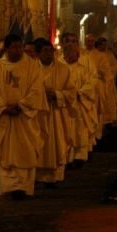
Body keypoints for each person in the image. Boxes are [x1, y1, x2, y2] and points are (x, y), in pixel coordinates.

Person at [0, 34, 47, 199]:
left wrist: (21, 105)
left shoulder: (32, 66)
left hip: (24, 117)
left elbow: (37, 89)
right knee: (5, 151)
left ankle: (24, 187)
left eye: (20, 46)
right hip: (5, 116)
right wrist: (3, 107)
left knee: (26, 149)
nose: (18, 50)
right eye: (13, 47)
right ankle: (9, 186)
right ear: (6, 48)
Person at [34, 38, 75, 187]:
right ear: (38, 53)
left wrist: (57, 94)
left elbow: (71, 92)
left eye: (50, 51)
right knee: (39, 143)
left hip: (57, 113)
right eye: (45, 51)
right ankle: (37, 176)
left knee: (57, 142)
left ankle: (54, 176)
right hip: (38, 114)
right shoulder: (30, 70)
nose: (48, 54)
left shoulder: (63, 70)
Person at [62, 45, 97, 165]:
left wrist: (80, 93)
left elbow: (90, 85)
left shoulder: (82, 70)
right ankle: (66, 157)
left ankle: (80, 156)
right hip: (65, 105)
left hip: (79, 104)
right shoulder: (62, 70)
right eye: (70, 53)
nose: (73, 56)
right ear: (65, 55)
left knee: (80, 130)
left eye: (75, 54)